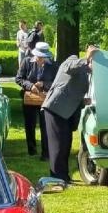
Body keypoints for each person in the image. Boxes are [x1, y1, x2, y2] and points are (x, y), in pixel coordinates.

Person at [41, 45, 98, 183]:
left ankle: (64, 176)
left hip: (66, 112)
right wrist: (88, 58)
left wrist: (84, 100)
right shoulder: (73, 60)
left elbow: (73, 91)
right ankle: (57, 178)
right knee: (58, 146)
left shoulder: (86, 72)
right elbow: (68, 67)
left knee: (65, 144)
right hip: (55, 108)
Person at [15, 41, 57, 158]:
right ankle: (32, 151)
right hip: (29, 99)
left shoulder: (53, 65)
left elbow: (56, 82)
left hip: (45, 99)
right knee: (30, 125)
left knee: (46, 126)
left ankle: (46, 153)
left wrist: (44, 84)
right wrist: (30, 86)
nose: (41, 59)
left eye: (43, 57)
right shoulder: (27, 62)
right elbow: (18, 78)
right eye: (39, 57)